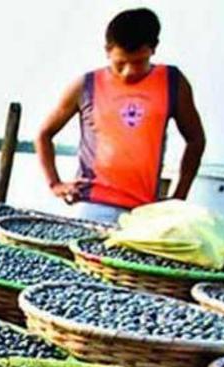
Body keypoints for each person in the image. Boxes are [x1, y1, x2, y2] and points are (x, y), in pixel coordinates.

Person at [35, 8, 206, 225]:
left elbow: (196, 139)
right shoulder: (86, 86)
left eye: (138, 63)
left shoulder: (172, 82)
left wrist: (178, 197)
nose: (129, 72)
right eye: (120, 63)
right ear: (107, 51)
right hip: (93, 204)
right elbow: (44, 134)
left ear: (153, 49)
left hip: (145, 212)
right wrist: (55, 184)